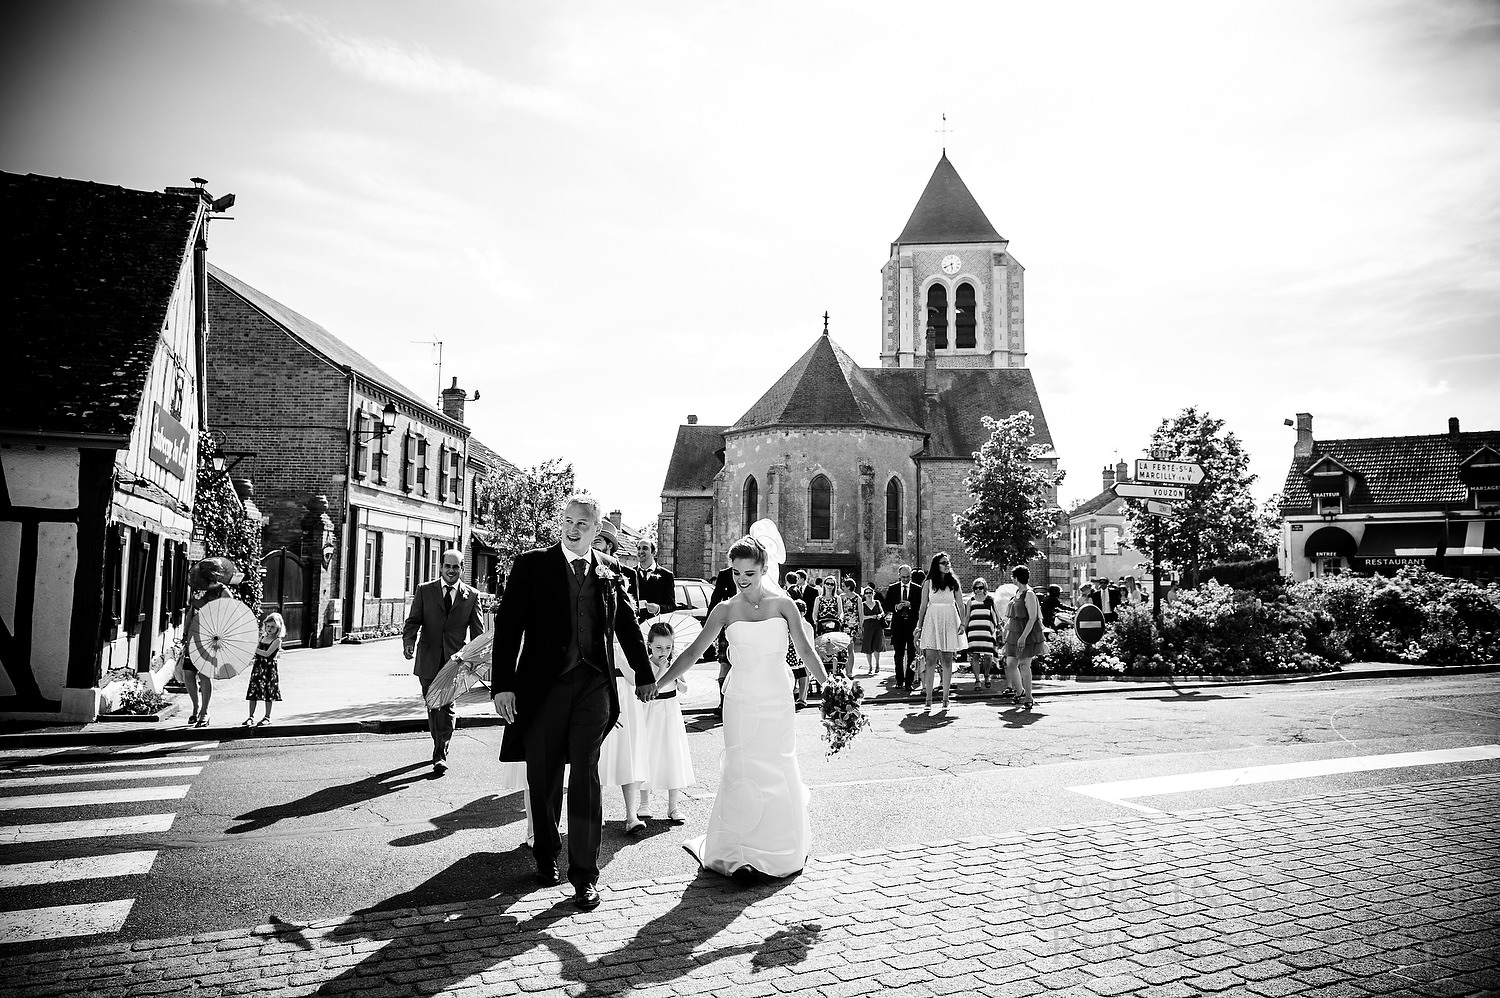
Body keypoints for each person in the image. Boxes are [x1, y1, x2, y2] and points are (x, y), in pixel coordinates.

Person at [491, 495, 655, 911]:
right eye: (567, 520)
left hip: (593, 688)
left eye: (582, 522)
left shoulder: (611, 569)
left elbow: (626, 625)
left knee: (586, 776)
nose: (573, 527)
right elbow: (508, 627)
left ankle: (584, 875)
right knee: (543, 776)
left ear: (596, 528)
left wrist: (644, 673)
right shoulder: (532, 566)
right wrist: (503, 685)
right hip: (543, 689)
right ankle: (546, 852)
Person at [655, 526, 826, 882]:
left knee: (776, 766)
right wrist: (660, 683)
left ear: (764, 569)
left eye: (749, 573)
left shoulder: (785, 606)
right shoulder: (724, 609)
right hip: (739, 700)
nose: (742, 580)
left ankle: (775, 848)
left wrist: (835, 689)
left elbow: (807, 652)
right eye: (736, 573)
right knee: (742, 769)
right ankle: (740, 851)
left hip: (777, 698)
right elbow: (692, 652)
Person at [403, 549, 485, 776]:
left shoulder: (472, 596)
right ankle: (437, 743)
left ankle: (440, 754)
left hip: (454, 663)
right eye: (448, 566)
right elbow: (413, 622)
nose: (451, 571)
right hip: (428, 658)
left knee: (446, 706)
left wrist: (475, 660)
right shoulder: (424, 590)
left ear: (462, 569)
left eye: (456, 567)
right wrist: (408, 642)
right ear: (440, 567)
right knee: (433, 705)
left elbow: (479, 634)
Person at [593, 519, 649, 836]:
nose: (596, 544)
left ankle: (631, 815)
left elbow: (629, 626)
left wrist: (639, 672)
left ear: (611, 547)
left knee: (626, 749)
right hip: (593, 680)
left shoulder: (618, 578)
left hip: (620, 677)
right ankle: (594, 814)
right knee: (595, 753)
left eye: (601, 541)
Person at [639, 622, 695, 824]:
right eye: (659, 647)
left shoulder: (676, 664)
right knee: (648, 754)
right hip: (651, 711)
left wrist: (678, 679)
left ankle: (673, 806)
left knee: (673, 754)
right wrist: (661, 670)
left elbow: (685, 689)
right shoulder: (645, 664)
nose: (664, 652)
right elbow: (651, 687)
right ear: (649, 646)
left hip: (670, 711)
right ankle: (644, 803)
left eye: (668, 647)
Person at [179, 557, 237, 729]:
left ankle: (205, 712)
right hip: (193, 636)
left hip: (210, 638)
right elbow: (191, 611)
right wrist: (185, 632)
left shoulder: (223, 592)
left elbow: (231, 615)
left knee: (205, 674)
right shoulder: (197, 590)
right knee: (188, 673)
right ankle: (196, 708)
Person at [916, 553, 966, 712]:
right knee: (930, 660)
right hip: (932, 620)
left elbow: (960, 604)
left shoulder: (953, 582)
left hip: (950, 619)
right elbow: (923, 606)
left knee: (947, 661)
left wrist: (963, 622)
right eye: (944, 563)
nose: (947, 565)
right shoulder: (928, 583)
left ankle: (945, 699)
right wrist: (919, 626)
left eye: (948, 562)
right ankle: (928, 699)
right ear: (936, 565)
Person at [1004, 565, 1045, 710]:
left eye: (1012, 576)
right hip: (1014, 633)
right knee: (1010, 663)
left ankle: (1029, 697)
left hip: (1026, 634)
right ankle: (1019, 690)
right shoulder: (1017, 592)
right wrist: (1006, 629)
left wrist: (1023, 637)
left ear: (1016, 578)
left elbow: (1032, 618)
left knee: (1024, 664)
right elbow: (1014, 615)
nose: (1011, 579)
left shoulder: (1029, 594)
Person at [243, 612, 284, 726]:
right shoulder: (262, 637)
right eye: (268, 626)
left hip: (269, 669)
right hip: (258, 667)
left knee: (268, 693)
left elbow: (266, 653)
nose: (270, 629)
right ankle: (250, 716)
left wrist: (253, 650)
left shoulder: (277, 640)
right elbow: (256, 652)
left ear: (278, 628)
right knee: (253, 691)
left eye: (273, 627)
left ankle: (267, 716)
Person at [883, 565, 919, 693]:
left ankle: (909, 682)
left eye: (908, 577)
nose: (905, 579)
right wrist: (896, 607)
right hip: (898, 626)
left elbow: (921, 606)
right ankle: (899, 680)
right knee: (898, 655)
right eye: (903, 577)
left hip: (911, 626)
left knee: (911, 655)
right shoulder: (893, 588)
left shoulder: (916, 588)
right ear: (899, 576)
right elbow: (886, 605)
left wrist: (911, 605)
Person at [627, 539, 676, 621]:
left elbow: (672, 606)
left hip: (656, 626)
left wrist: (658, 608)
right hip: (634, 626)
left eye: (645, 548)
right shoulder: (629, 574)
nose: (640, 551)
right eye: (638, 548)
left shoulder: (666, 575)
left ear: (654, 553)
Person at [965, 579, 998, 692]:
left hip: (987, 632)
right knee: (975, 656)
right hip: (974, 631)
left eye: (980, 587)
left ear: (985, 588)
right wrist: (964, 630)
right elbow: (967, 616)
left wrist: (997, 628)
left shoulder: (990, 600)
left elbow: (995, 615)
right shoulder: (971, 601)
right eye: (976, 588)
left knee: (988, 656)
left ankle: (987, 675)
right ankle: (977, 680)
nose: (978, 590)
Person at [857, 584, 885, 677]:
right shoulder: (862, 604)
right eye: (867, 593)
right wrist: (870, 616)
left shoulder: (877, 602)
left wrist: (880, 615)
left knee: (877, 646)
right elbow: (861, 617)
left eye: (870, 592)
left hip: (877, 626)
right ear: (864, 594)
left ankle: (877, 665)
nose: (869, 594)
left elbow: (882, 612)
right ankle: (870, 666)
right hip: (868, 627)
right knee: (868, 647)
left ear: (873, 593)